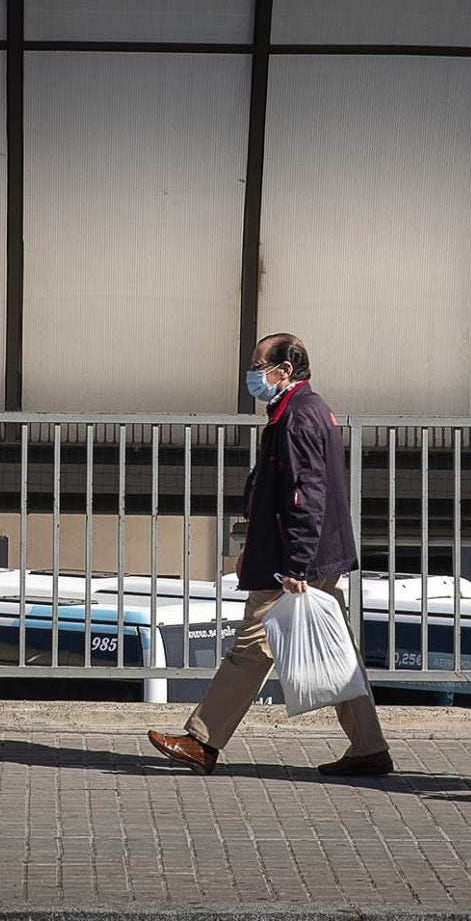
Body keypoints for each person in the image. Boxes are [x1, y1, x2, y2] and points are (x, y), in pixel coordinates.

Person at [146, 333, 394, 779]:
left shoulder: (297, 418)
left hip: (295, 561)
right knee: (336, 653)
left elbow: (305, 496)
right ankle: (369, 747)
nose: (253, 375)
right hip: (309, 556)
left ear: (284, 370)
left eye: (260, 366)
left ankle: (202, 741)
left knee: (251, 649)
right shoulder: (304, 410)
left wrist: (295, 565)